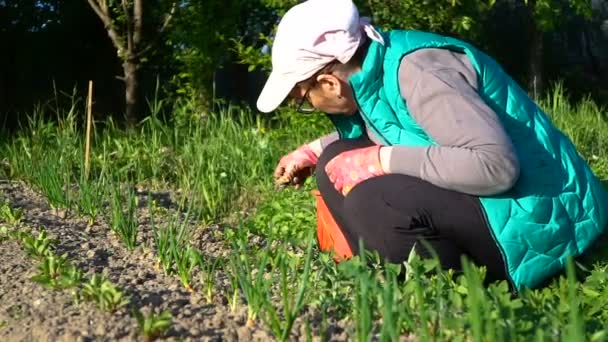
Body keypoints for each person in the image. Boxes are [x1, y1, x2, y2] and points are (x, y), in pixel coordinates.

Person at [256, 0, 608, 290]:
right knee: (334, 160)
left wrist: (380, 160)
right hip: (501, 203)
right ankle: (382, 274)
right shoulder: (377, 63)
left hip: (541, 215)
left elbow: (496, 167)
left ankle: (448, 294)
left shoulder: (421, 73)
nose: (306, 105)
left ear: (330, 83)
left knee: (376, 199)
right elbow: (396, 125)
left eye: (303, 98)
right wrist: (314, 150)